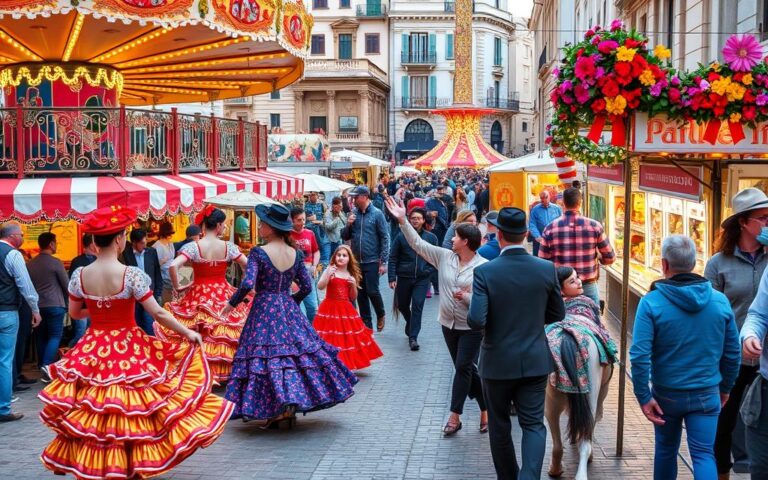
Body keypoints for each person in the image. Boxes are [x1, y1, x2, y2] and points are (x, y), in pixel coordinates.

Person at [39, 205, 233, 478]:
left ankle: (102, 463)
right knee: (133, 406)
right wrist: (188, 332)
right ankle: (130, 464)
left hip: (93, 348)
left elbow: (75, 313)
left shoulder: (79, 275)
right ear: (120, 240)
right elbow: (158, 312)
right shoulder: (131, 275)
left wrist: (98, 311)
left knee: (96, 406)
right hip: (128, 347)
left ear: (94, 241)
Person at [222, 203, 357, 428]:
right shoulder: (296, 254)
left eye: (263, 223)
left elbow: (247, 283)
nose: (261, 226)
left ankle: (276, 408)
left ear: (271, 228)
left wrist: (231, 304)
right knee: (291, 358)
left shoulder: (259, 252)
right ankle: (287, 407)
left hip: (264, 308)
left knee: (266, 359)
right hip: (287, 306)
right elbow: (305, 287)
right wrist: (289, 303)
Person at [467, 207, 566, 480]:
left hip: (497, 362)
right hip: (535, 360)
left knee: (499, 427)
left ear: (499, 235)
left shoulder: (486, 273)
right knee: (533, 424)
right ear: (525, 234)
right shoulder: (546, 269)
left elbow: (476, 319)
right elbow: (558, 314)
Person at [630, 235, 740, 480]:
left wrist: (643, 396)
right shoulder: (719, 301)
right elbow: (733, 353)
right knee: (703, 454)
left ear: (664, 265)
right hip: (706, 392)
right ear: (694, 263)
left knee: (666, 450)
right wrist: (725, 387)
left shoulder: (651, 302)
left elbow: (639, 355)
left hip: (666, 394)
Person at [385, 197, 488, 436]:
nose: (451, 238)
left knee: (463, 368)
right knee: (468, 370)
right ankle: (486, 409)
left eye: (455, 236)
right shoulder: (444, 257)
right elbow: (418, 244)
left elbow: (487, 300)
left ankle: (454, 417)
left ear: (465, 242)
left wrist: (469, 298)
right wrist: (402, 220)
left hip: (471, 326)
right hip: (447, 323)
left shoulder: (484, 266)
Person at [704, 187, 768, 479]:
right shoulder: (718, 264)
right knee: (724, 422)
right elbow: (710, 315)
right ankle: (722, 474)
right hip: (732, 358)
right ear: (743, 222)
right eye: (763, 218)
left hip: (765, 363)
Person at [154, 206, 249, 383]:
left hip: (198, 294)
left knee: (199, 329)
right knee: (226, 329)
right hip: (224, 293)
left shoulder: (194, 247)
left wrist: (179, 287)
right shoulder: (229, 247)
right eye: (224, 225)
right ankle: (225, 371)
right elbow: (248, 266)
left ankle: (200, 371)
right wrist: (244, 285)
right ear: (219, 225)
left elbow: (173, 266)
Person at [539, 187, 615, 306]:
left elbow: (543, 262)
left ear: (563, 203)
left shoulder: (550, 228)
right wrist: (599, 258)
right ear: (580, 203)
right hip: (588, 287)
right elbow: (610, 257)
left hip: (562, 289)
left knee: (562, 322)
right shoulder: (595, 226)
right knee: (591, 322)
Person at [314, 245, 383, 370]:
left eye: (344, 255)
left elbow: (353, 296)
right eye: (338, 255)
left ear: (349, 259)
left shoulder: (350, 274)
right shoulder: (330, 270)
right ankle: (330, 362)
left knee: (346, 337)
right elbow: (320, 286)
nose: (341, 257)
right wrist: (327, 275)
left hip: (345, 308)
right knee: (331, 335)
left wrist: (353, 285)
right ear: (334, 257)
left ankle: (344, 362)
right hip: (330, 307)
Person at [0, 223, 40, 421]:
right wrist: (35, 309)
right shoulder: (13, 254)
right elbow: (25, 284)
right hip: (6, 312)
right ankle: (3, 408)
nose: (23, 238)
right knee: (5, 361)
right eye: (22, 235)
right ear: (13, 236)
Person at [388, 207, 437, 351]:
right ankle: (410, 322)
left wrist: (428, 271)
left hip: (422, 279)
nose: (415, 220)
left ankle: (413, 337)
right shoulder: (401, 236)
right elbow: (393, 257)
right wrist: (392, 277)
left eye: (418, 218)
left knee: (417, 305)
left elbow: (435, 258)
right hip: (404, 277)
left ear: (423, 220)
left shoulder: (431, 238)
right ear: (409, 219)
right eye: (413, 218)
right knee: (402, 305)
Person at [341, 186, 390, 332]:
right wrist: (348, 224)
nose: (353, 200)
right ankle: (367, 325)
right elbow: (345, 236)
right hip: (356, 261)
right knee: (360, 293)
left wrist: (384, 260)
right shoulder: (353, 213)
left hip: (372, 259)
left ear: (365, 196)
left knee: (372, 291)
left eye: (356, 197)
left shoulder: (377, 214)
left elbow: (385, 237)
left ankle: (380, 313)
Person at [26, 232, 69, 383]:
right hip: (55, 305)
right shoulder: (56, 262)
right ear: (51, 244)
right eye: (56, 242)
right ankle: (46, 366)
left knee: (41, 337)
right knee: (55, 336)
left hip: (37, 306)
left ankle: (42, 366)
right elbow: (66, 285)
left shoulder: (30, 264)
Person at [121, 229, 163, 335]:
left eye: (146, 242)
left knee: (150, 326)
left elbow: (157, 272)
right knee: (137, 325)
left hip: (150, 294)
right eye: (142, 243)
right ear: (134, 242)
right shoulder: (125, 254)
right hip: (133, 297)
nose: (145, 245)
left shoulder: (151, 252)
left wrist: (158, 292)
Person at [290, 207, 321, 322]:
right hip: (293, 273)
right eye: (299, 220)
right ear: (292, 220)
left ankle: (312, 331)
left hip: (308, 271)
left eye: (303, 219)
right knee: (296, 306)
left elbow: (316, 251)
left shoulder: (310, 233)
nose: (302, 222)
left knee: (313, 307)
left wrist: (314, 265)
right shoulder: (287, 235)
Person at [67, 234, 97, 348]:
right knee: (80, 334)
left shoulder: (99, 260)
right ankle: (70, 354)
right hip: (82, 306)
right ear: (91, 245)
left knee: (91, 335)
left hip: (94, 305)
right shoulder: (78, 261)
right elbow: (73, 284)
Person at [529, 190, 562, 257]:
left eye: (546, 197)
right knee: (538, 260)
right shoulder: (535, 210)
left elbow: (561, 222)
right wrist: (537, 236)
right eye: (542, 198)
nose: (544, 199)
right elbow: (532, 224)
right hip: (539, 240)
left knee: (553, 260)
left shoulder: (557, 208)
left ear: (549, 197)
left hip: (553, 240)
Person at [305, 191, 330, 269]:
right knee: (312, 248)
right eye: (312, 195)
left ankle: (320, 265)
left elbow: (326, 216)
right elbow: (303, 218)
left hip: (320, 229)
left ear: (317, 196)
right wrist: (309, 218)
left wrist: (321, 221)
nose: (313, 196)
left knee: (321, 246)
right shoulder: (306, 205)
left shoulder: (322, 204)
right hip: (310, 229)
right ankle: (314, 263)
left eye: (315, 195)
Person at [154, 221, 176, 304]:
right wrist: (162, 261)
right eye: (169, 233)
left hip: (172, 278)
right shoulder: (156, 246)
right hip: (164, 281)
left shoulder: (170, 244)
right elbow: (154, 265)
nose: (171, 236)